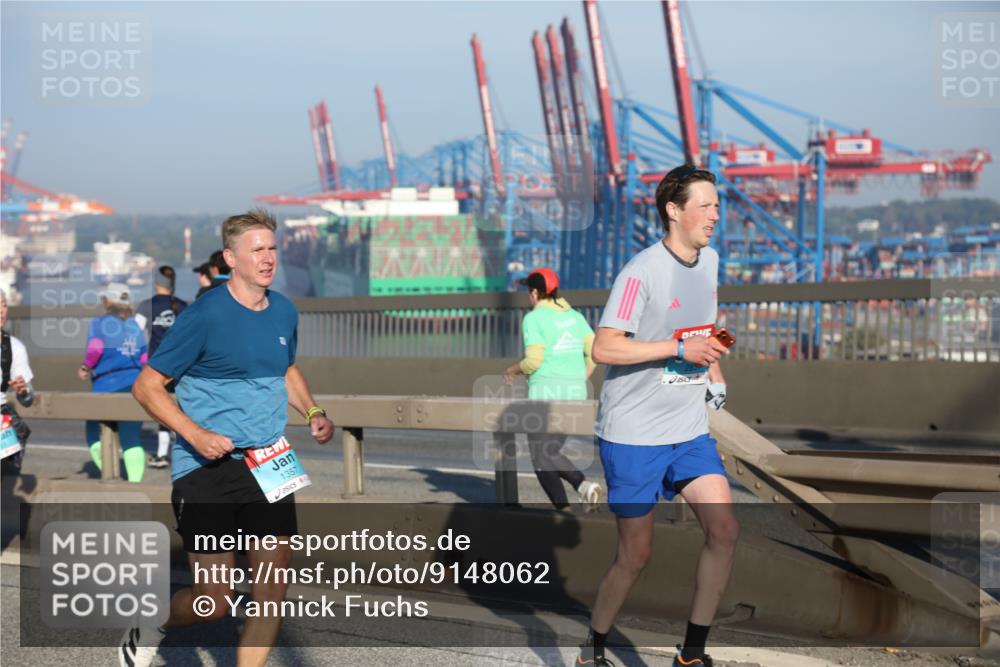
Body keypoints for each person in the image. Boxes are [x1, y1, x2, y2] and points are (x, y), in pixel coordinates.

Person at [128, 208, 334, 667]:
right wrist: (196, 434)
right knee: (213, 602)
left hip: (269, 464)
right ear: (230, 257)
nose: (267, 258)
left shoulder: (283, 310)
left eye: (272, 248)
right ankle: (154, 622)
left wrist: (313, 411)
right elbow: (147, 387)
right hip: (207, 470)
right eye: (256, 250)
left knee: (270, 593)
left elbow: (286, 369)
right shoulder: (205, 315)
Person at [580, 165, 737, 667]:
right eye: (706, 205)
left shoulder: (710, 260)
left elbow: (706, 327)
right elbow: (604, 348)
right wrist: (677, 348)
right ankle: (594, 649)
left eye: (717, 205)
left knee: (724, 531)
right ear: (674, 210)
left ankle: (691, 656)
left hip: (688, 429)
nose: (716, 214)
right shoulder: (640, 271)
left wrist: (714, 368)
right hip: (633, 435)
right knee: (635, 557)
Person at [502, 268, 603, 512]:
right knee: (549, 454)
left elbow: (534, 361)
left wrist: (513, 371)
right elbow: (595, 351)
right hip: (575, 397)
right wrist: (581, 376)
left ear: (535, 293)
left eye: (529, 292)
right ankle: (574, 499)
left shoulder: (534, 319)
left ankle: (579, 489)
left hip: (545, 399)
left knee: (541, 457)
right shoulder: (575, 317)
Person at [79, 283, 148, 483]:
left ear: (108, 301)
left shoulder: (99, 323)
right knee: (131, 438)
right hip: (134, 385)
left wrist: (85, 367)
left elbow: (95, 348)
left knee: (94, 435)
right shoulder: (134, 325)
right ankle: (135, 484)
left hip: (106, 386)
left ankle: (111, 475)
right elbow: (144, 357)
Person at [136, 266, 187, 469]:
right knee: (184, 410)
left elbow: (134, 333)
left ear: (156, 283)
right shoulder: (183, 306)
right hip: (182, 367)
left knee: (163, 410)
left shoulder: (146, 306)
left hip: (157, 368)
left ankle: (162, 454)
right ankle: (188, 453)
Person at [0, 289, 34, 477]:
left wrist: (23, 391)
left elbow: (29, 399)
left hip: (2, 421)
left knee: (7, 482)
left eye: (4, 305)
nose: (1, 311)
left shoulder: (13, 347)